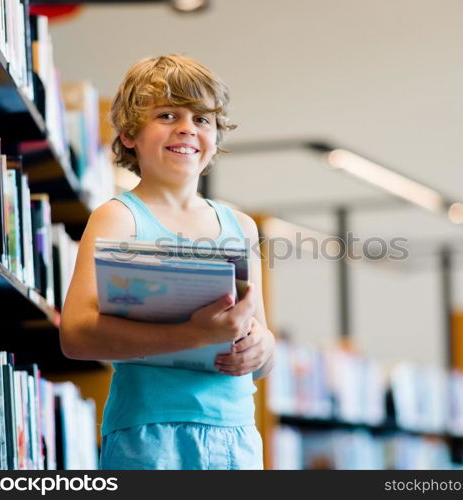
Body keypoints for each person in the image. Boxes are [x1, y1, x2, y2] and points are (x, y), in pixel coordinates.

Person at [59, 55, 276, 470]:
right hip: (148, 432)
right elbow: (76, 335)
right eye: (167, 114)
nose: (187, 128)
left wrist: (262, 349)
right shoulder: (118, 217)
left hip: (236, 435)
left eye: (202, 119)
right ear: (128, 134)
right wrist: (193, 335)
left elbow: (260, 344)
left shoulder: (242, 227)